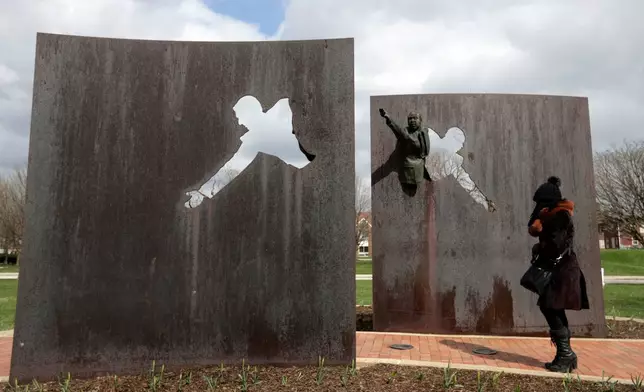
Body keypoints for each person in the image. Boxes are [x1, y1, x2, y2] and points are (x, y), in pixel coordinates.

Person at [184, 95, 315, 208]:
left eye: (241, 117)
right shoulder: (253, 140)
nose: (240, 123)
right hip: (311, 167)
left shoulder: (283, 106)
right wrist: (203, 192)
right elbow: (232, 168)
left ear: (251, 113)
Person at [527, 176, 589, 373]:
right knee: (552, 308)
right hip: (560, 270)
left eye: (541, 203)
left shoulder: (559, 215)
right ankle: (565, 355)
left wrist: (539, 245)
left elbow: (557, 244)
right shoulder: (553, 215)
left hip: (563, 271)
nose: (538, 207)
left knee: (550, 307)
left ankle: (566, 354)